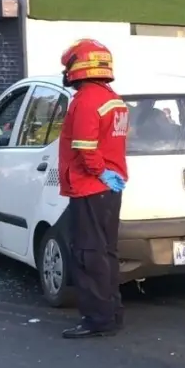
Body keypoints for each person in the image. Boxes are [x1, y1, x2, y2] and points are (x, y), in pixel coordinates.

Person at [56, 39, 129, 340]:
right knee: (106, 253)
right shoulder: (113, 98)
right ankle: (111, 312)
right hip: (109, 188)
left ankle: (97, 319)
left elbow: (85, 149)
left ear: (78, 66)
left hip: (90, 187)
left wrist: (98, 172)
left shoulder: (86, 100)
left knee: (88, 254)